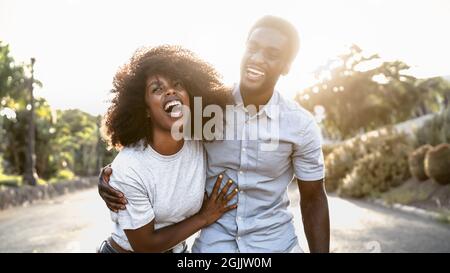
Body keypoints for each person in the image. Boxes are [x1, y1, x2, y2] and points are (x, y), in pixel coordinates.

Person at [99, 15, 330, 253]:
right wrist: (112, 176)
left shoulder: (300, 125)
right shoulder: (206, 108)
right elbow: (156, 139)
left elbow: (313, 199)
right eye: (253, 48)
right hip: (213, 247)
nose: (257, 58)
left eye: (272, 54)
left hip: (277, 245)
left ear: (287, 66)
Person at [97, 45, 238, 253]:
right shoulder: (129, 167)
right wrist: (204, 218)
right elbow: (145, 246)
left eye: (177, 84)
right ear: (144, 108)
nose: (170, 91)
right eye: (157, 89)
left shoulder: (199, 140)